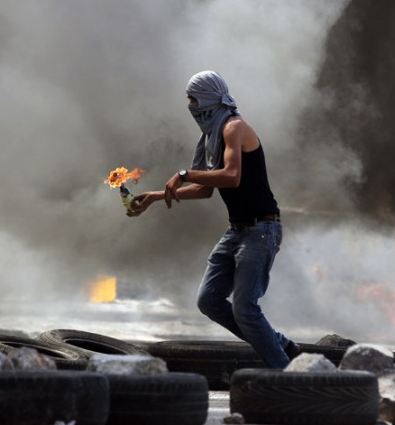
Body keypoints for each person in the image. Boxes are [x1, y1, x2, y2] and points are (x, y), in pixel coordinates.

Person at [128, 70, 299, 368]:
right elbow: (206, 189)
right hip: (237, 231)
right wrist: (156, 196)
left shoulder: (234, 127)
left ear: (208, 97)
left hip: (261, 228)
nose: (192, 106)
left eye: (194, 99)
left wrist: (184, 174)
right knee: (208, 301)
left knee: (245, 308)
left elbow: (231, 177)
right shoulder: (210, 137)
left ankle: (288, 376)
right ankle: (278, 343)